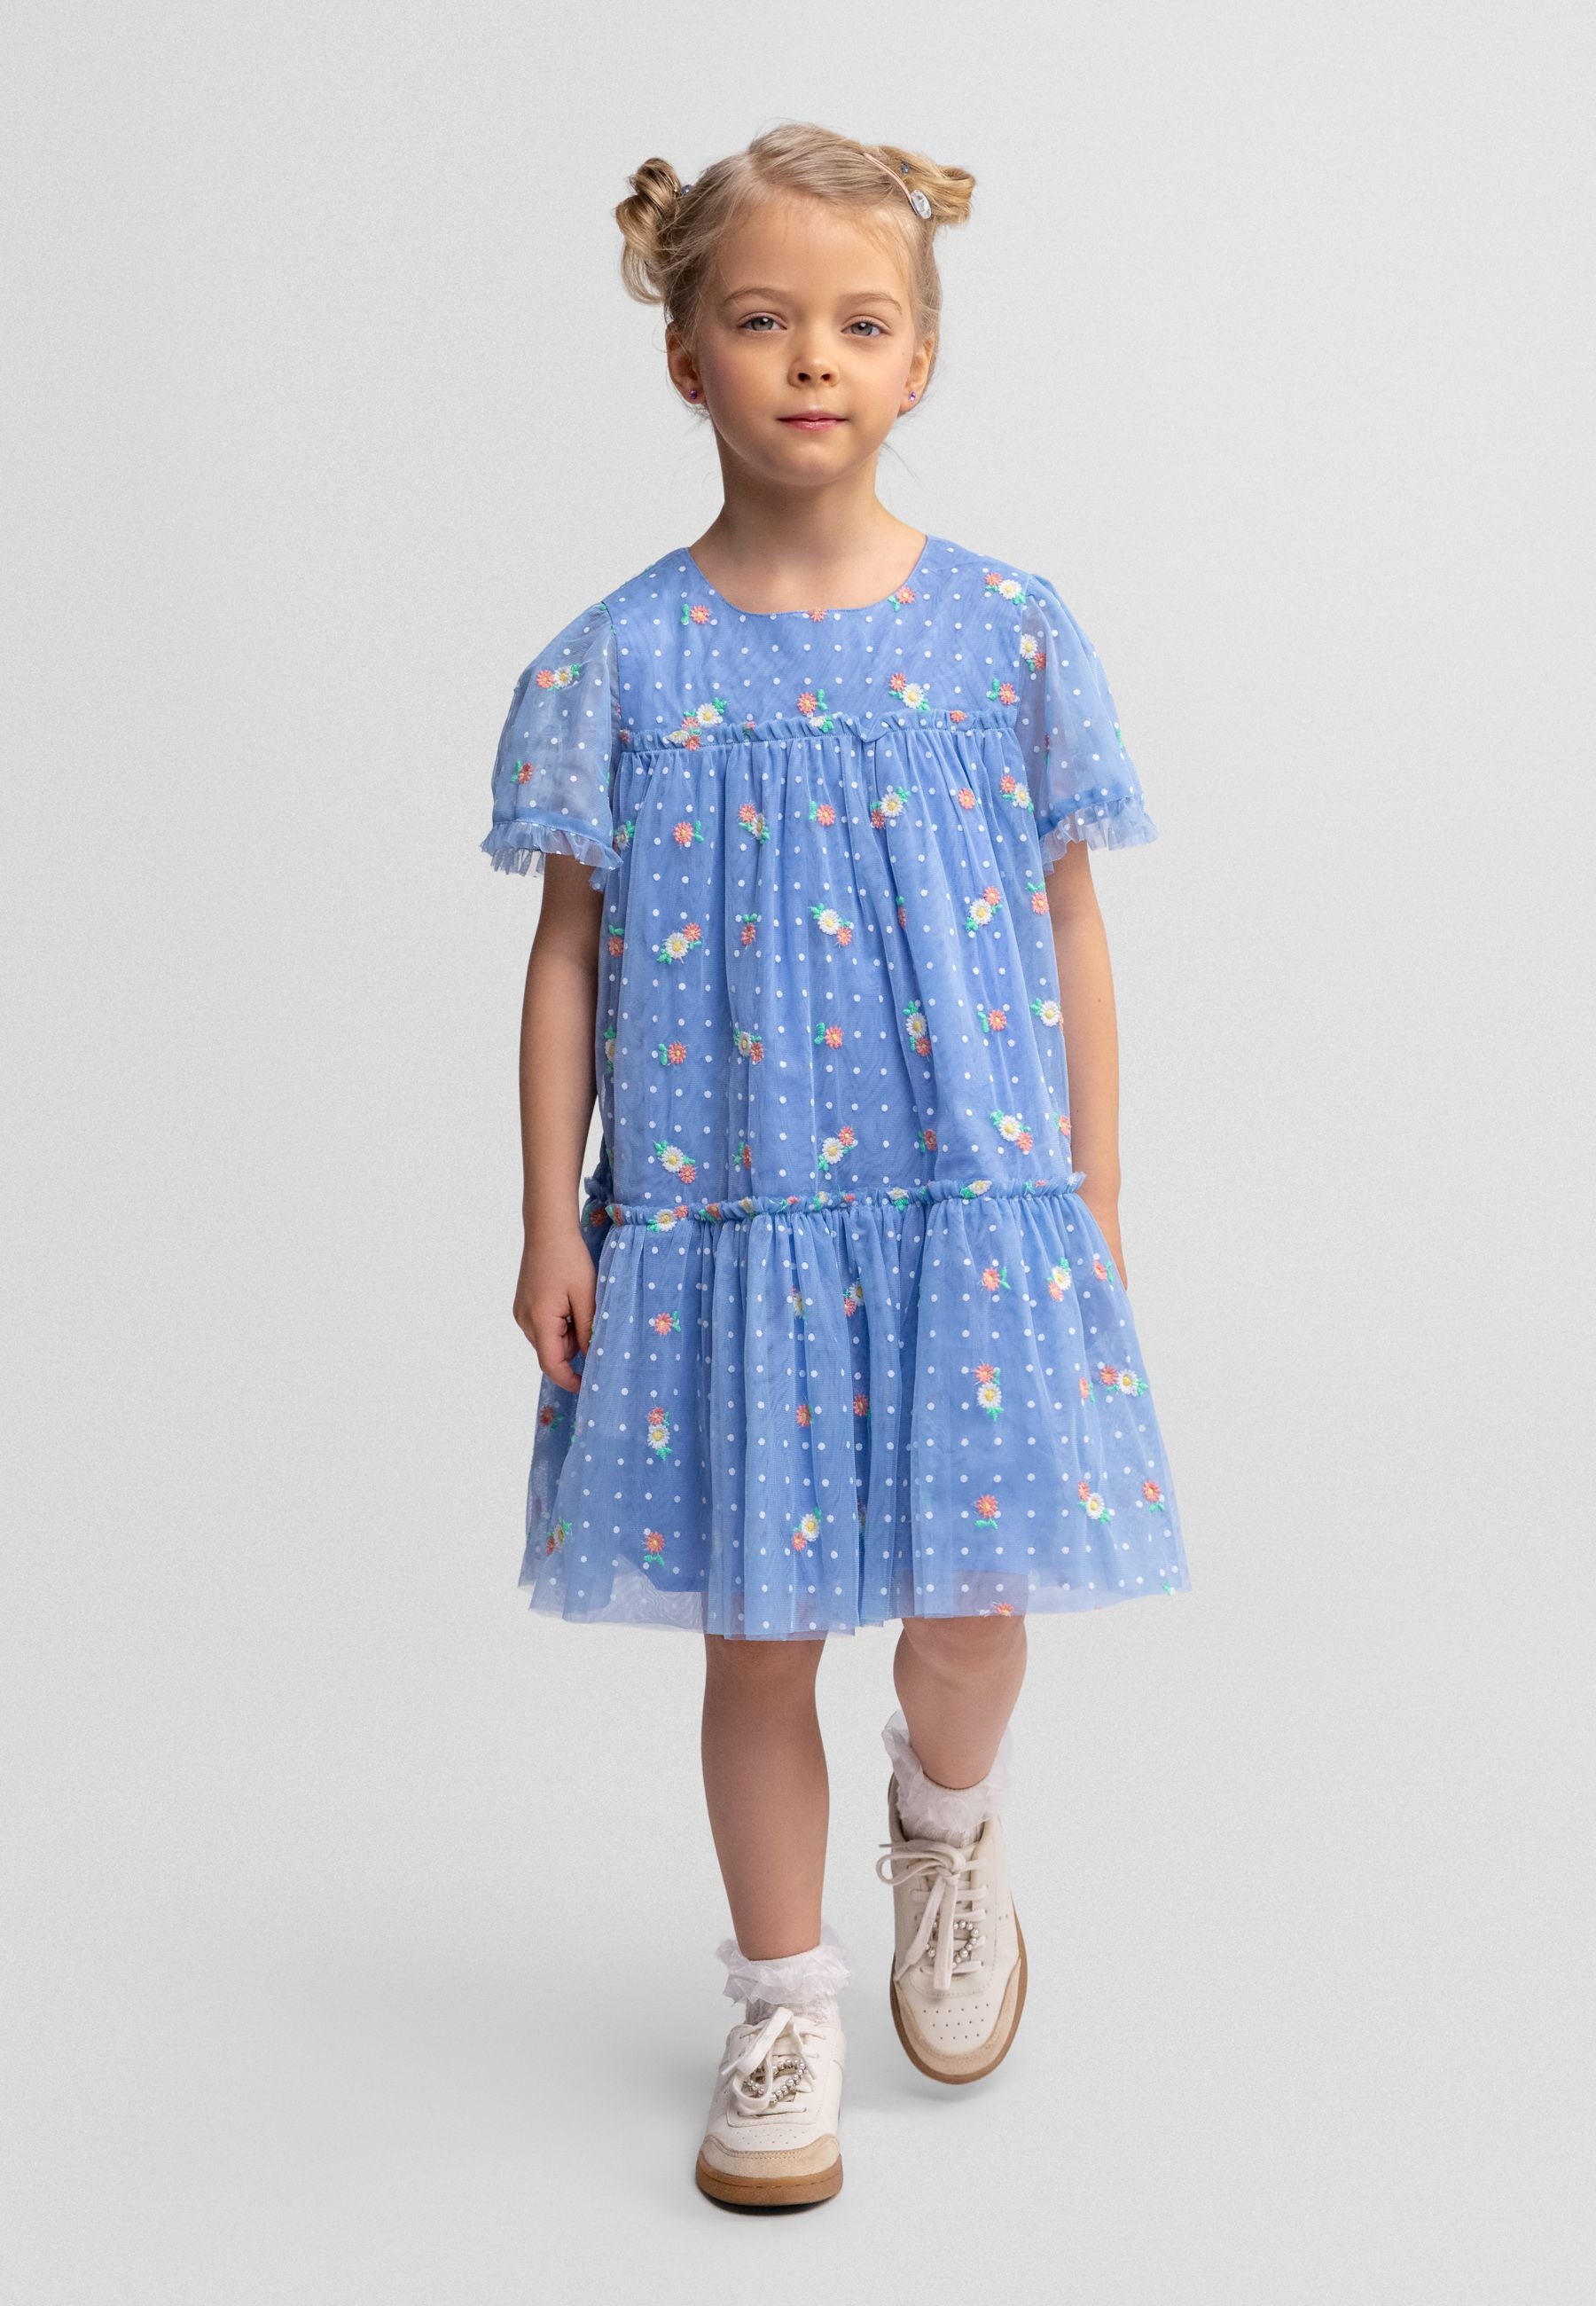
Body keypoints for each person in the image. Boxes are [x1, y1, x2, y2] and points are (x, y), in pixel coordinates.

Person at [481, 121, 1190, 2209]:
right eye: (763, 318)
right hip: (722, 1215)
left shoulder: (1012, 633)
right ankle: (782, 1995)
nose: (814, 358)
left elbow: (1071, 920)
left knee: (973, 1606)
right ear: (684, 355)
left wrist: (1095, 1185)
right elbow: (568, 950)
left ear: (923, 359)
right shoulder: (614, 660)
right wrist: (549, 1213)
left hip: (971, 1200)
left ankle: (946, 1831)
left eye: (862, 323)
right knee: (758, 1632)